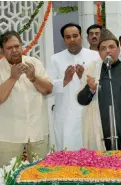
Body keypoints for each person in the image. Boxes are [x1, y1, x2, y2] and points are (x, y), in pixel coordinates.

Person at [0, 31, 53, 166]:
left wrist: (33, 77)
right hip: (9, 135)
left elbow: (48, 89)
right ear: (2, 50)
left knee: (40, 175)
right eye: (9, 48)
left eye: (17, 46)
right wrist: (13, 78)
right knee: (8, 177)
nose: (15, 50)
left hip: (37, 132)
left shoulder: (34, 63)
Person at [47, 23, 100, 151]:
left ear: (81, 37)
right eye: (68, 37)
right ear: (64, 39)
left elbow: (100, 83)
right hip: (66, 116)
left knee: (91, 153)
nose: (72, 40)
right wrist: (65, 80)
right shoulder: (55, 59)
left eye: (75, 36)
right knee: (67, 154)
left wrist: (83, 77)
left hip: (89, 112)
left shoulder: (95, 56)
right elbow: (49, 87)